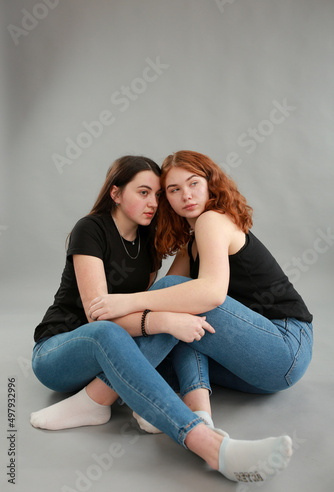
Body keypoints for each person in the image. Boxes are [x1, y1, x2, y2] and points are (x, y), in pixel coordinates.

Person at [30, 153, 293, 484]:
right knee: (114, 331)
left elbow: (151, 308)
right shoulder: (91, 229)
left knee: (182, 316)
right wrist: (164, 321)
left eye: (157, 194)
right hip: (60, 351)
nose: (153, 202)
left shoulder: (149, 242)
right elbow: (100, 317)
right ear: (115, 193)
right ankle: (208, 444)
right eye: (143, 192)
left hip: (112, 357)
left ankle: (117, 403)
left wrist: (164, 319)